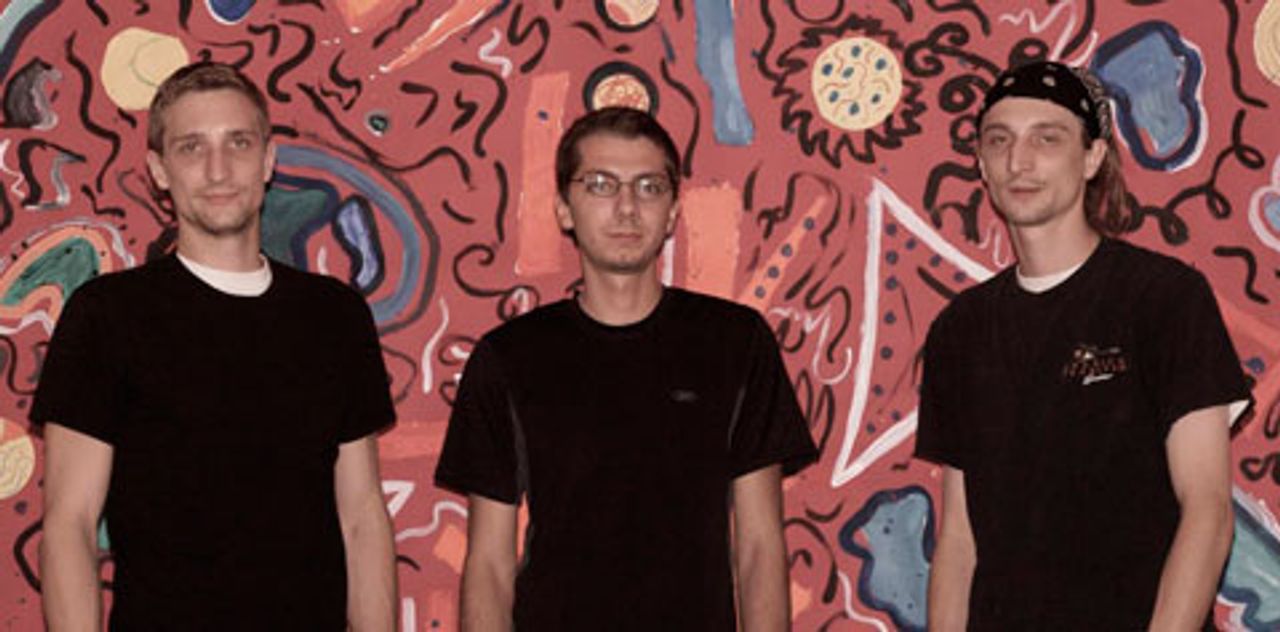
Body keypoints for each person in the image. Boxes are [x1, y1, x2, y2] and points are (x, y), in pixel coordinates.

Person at [33, 61, 398, 630]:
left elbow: (362, 517)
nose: (218, 169)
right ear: (159, 170)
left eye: (239, 142)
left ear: (268, 159)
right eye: (192, 147)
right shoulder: (107, 316)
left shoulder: (335, 315)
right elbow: (69, 525)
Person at [434, 106, 818, 631]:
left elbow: (759, 548)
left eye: (648, 187)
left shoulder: (735, 343)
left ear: (673, 211)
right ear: (564, 208)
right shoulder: (509, 358)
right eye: (600, 185)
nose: (627, 207)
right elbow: (489, 566)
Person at [916, 60, 1252, 630]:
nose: (1019, 161)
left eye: (1046, 138)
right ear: (981, 163)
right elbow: (959, 540)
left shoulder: (1164, 297)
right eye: (999, 140)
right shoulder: (960, 328)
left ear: (1092, 156)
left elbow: (1208, 511)